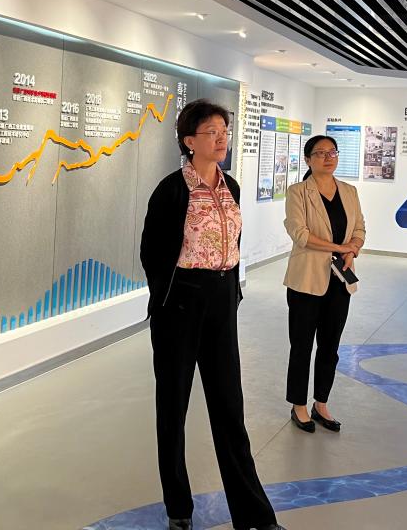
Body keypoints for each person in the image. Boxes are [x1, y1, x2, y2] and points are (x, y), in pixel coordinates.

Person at [140, 100, 285, 530]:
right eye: (212, 132)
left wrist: (229, 291)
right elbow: (152, 252)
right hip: (181, 304)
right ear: (189, 140)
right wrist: (169, 298)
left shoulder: (231, 186)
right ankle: (178, 508)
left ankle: (254, 515)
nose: (222, 139)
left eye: (225, 131)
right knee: (173, 408)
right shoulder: (171, 190)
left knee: (229, 407)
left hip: (222, 301)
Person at [283, 136, 365, 435]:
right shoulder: (298, 192)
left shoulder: (349, 191)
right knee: (302, 345)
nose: (328, 158)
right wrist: (339, 248)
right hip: (306, 280)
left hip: (339, 280)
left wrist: (352, 250)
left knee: (330, 346)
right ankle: (299, 405)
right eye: (320, 153)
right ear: (308, 160)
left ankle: (321, 403)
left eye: (332, 152)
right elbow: (300, 234)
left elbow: (359, 228)